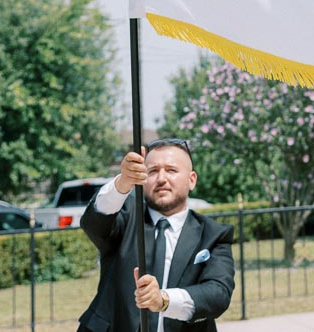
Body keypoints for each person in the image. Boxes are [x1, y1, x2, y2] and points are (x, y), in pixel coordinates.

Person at [78, 138, 235, 332]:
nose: (161, 178)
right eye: (152, 171)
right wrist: (123, 182)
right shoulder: (125, 216)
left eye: (171, 170)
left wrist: (163, 300)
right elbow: (94, 221)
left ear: (191, 179)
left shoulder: (213, 235)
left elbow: (218, 294)